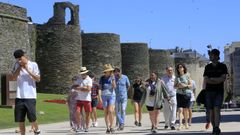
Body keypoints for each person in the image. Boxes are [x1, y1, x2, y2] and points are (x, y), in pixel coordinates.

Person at [11, 49, 41, 135]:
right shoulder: (16, 65)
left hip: (30, 96)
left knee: (32, 117)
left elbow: (38, 79)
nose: (19, 60)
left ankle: (37, 129)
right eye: (17, 59)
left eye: (20, 58)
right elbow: (13, 78)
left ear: (24, 56)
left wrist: (27, 70)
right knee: (20, 119)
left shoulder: (33, 64)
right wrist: (20, 67)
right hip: (19, 96)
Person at [203, 49, 228, 135]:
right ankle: (214, 127)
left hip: (219, 91)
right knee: (211, 111)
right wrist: (216, 80)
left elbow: (223, 78)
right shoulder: (207, 67)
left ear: (216, 56)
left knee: (217, 109)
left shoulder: (223, 66)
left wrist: (213, 79)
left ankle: (216, 127)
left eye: (211, 55)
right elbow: (206, 79)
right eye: (210, 55)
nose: (210, 56)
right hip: (208, 91)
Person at [99, 64, 116, 134]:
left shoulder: (112, 78)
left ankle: (111, 127)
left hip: (111, 95)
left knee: (111, 111)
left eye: (110, 71)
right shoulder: (102, 78)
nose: (110, 72)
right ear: (106, 72)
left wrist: (112, 80)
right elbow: (100, 88)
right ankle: (107, 127)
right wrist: (99, 97)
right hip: (104, 96)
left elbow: (115, 87)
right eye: (109, 71)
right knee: (106, 112)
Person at [174, 63, 192, 130]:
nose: (179, 68)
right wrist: (178, 85)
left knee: (186, 109)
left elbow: (190, 85)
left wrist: (185, 86)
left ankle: (186, 123)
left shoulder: (187, 75)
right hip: (179, 94)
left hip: (187, 94)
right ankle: (180, 124)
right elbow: (174, 86)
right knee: (180, 109)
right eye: (178, 67)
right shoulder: (177, 77)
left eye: (181, 67)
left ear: (183, 68)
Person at [74, 67, 93, 133]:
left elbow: (88, 89)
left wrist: (80, 88)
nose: (82, 75)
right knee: (77, 112)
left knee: (87, 113)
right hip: (78, 98)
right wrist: (83, 88)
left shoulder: (89, 79)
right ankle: (79, 126)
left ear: (86, 73)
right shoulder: (78, 79)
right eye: (81, 74)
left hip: (86, 99)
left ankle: (87, 127)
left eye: (84, 73)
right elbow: (75, 88)